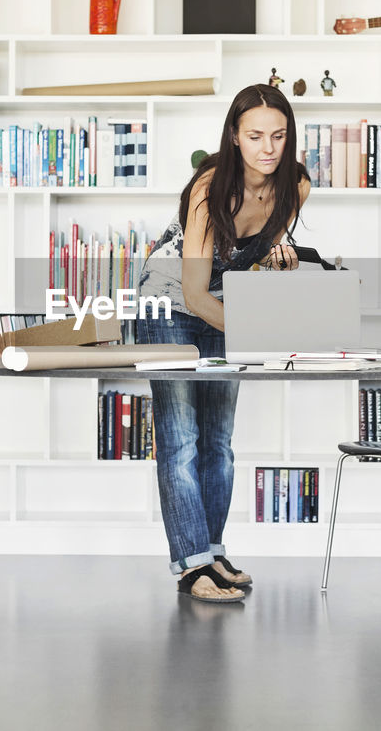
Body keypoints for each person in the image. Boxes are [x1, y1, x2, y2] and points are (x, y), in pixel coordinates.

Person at [137, 84, 311, 603]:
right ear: (234, 137)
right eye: (255, 135)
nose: (268, 147)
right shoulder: (211, 188)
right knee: (181, 437)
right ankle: (192, 568)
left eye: (279, 136)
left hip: (224, 305)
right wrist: (260, 333)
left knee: (219, 442)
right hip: (170, 303)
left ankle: (211, 553)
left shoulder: (294, 187)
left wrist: (284, 258)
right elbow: (192, 289)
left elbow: (251, 260)